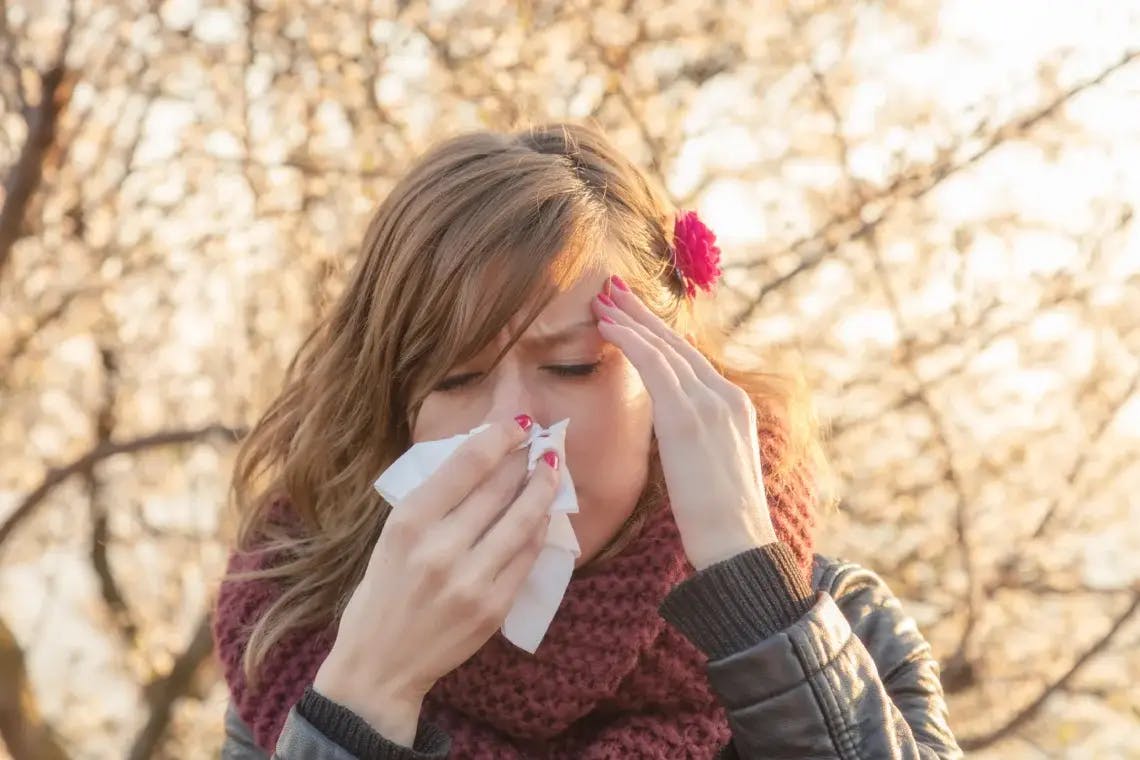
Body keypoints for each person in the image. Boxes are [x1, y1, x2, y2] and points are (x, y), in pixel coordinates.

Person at [213, 121, 961, 759]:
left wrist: (757, 609)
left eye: (570, 367)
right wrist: (364, 695)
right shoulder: (294, 639)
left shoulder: (836, 625)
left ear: (674, 377)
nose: (513, 428)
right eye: (454, 378)